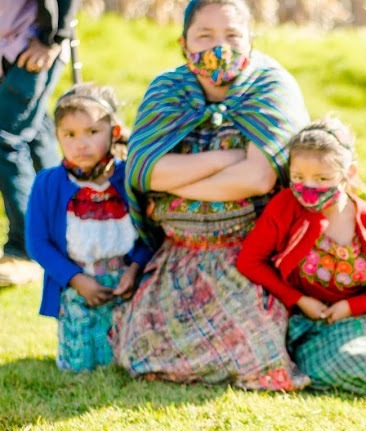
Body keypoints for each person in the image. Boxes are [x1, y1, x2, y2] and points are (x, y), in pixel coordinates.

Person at [112, 0, 309, 390]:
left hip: (248, 258)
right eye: (205, 35)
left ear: (251, 40)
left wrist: (173, 183)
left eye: (232, 35)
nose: (220, 47)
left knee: (258, 356)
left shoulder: (270, 85)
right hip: (180, 256)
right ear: (184, 43)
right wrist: (231, 156)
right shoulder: (167, 89)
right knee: (139, 352)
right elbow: (145, 169)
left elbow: (258, 177)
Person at [236, 118, 366, 398]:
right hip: (305, 323)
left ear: (348, 173)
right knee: (320, 363)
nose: (308, 187)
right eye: (298, 178)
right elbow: (249, 260)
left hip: (363, 321)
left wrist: (351, 306)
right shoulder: (285, 207)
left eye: (322, 179)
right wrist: (298, 299)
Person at [26, 83, 151, 371]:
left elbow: (148, 231)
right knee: (80, 363)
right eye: (69, 135)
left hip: (127, 282)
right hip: (77, 284)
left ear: (114, 133)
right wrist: (76, 280)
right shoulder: (48, 183)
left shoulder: (129, 179)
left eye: (92, 132)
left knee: (129, 361)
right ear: (57, 136)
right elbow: (37, 242)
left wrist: (134, 270)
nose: (80, 144)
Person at [0, 0, 78, 287]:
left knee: (5, 140)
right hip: (11, 46)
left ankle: (26, 250)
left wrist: (53, 39)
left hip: (33, 45)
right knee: (34, 133)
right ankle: (65, 227)